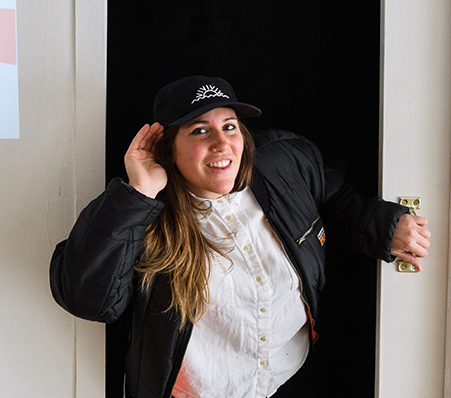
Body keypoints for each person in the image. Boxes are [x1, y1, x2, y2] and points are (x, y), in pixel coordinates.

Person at [49, 75, 431, 398]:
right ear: (168, 148)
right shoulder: (142, 216)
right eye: (200, 130)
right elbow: (87, 299)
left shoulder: (285, 161)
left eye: (229, 126)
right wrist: (137, 193)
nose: (221, 143)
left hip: (288, 377)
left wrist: (382, 225)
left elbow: (333, 199)